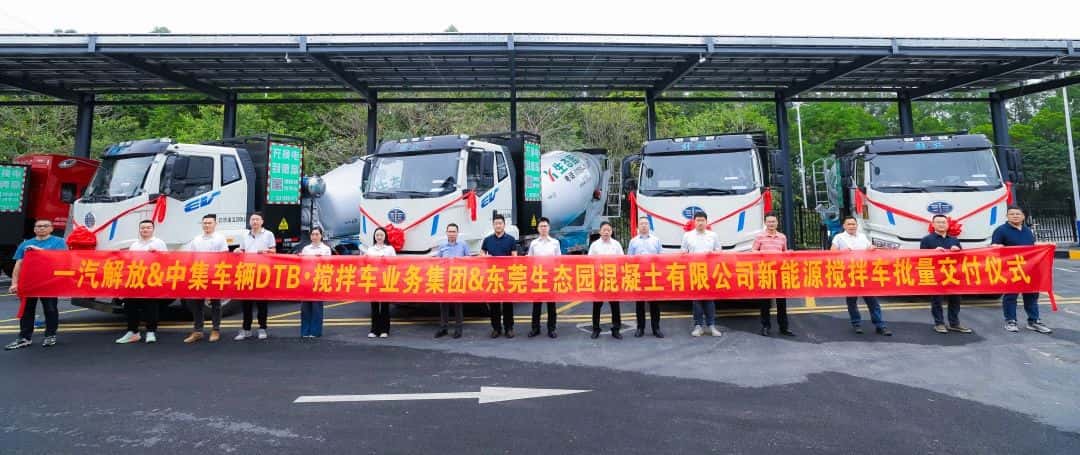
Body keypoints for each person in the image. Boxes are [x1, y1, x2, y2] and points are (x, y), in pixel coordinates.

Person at [5, 219, 67, 350]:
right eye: (38, 226)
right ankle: (24, 338)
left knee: (50, 309)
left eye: (45, 226)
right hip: (29, 283)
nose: (41, 228)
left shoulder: (59, 242)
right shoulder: (25, 244)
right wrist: (14, 283)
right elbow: (18, 264)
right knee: (27, 310)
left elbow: (60, 259)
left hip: (49, 282)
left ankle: (50, 335)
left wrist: (37, 250)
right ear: (34, 229)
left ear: (51, 229)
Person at [991, 205, 1052, 334]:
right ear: (1007, 216)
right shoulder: (1001, 230)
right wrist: (997, 247)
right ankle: (1011, 321)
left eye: (1017, 214)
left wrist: (1047, 246)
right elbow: (994, 248)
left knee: (1032, 295)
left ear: (1023, 216)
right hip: (1011, 269)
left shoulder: (1027, 231)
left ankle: (1034, 321)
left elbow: (1032, 246)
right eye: (1012, 214)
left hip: (1030, 268)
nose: (1015, 216)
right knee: (1011, 296)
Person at [831, 216, 892, 336]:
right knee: (852, 301)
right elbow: (832, 252)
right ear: (844, 226)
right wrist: (842, 252)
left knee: (872, 301)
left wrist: (871, 248)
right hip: (849, 274)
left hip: (865, 273)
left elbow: (869, 248)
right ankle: (856, 324)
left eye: (853, 224)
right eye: (849, 224)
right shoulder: (839, 237)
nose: (851, 226)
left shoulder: (862, 236)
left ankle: (880, 325)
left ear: (856, 225)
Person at [115, 220, 168, 345]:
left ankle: (151, 332)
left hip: (151, 279)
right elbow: (130, 262)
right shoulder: (135, 245)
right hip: (135, 279)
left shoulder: (159, 243)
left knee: (151, 306)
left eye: (148, 227)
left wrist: (157, 254)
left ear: (153, 229)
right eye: (143, 228)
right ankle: (133, 332)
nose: (145, 230)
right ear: (139, 230)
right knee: (130, 305)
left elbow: (167, 259)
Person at [920, 215, 973, 335]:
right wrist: (934, 252)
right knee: (937, 300)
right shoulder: (926, 239)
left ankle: (954, 323)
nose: (941, 224)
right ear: (933, 225)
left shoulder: (954, 239)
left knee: (955, 299)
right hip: (936, 274)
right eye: (938, 222)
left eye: (943, 222)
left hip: (952, 274)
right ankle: (939, 323)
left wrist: (957, 250)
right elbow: (921, 258)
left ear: (948, 225)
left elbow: (962, 258)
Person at [182, 214, 229, 344]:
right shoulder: (196, 239)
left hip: (214, 274)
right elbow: (192, 257)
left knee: (215, 303)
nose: (207, 225)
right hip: (200, 273)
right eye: (205, 223)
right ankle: (198, 331)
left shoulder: (220, 238)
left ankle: (215, 330)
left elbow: (224, 256)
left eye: (209, 223)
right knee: (197, 303)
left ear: (215, 224)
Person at [234, 212, 277, 341]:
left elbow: (274, 251)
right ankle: (246, 329)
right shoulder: (245, 235)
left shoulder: (268, 234)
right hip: (247, 271)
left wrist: (264, 251)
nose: (255, 222)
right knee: (246, 303)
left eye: (257, 219)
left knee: (261, 303)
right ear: (249, 221)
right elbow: (242, 250)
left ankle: (262, 328)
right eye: (252, 219)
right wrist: (238, 251)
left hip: (262, 272)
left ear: (262, 221)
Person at [681, 211, 723, 337]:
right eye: (698, 220)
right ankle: (698, 326)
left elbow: (719, 251)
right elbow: (683, 253)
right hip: (694, 271)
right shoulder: (687, 236)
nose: (700, 223)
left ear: (706, 222)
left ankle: (711, 325)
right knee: (696, 300)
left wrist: (712, 255)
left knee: (709, 300)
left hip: (709, 271)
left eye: (702, 220)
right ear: (694, 222)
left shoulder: (713, 235)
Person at [752, 213, 795, 337]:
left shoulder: (782, 237)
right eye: (769, 222)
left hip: (779, 272)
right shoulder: (759, 236)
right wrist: (765, 254)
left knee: (781, 302)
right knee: (765, 302)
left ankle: (784, 327)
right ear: (765, 223)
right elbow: (753, 251)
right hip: (765, 272)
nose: (771, 224)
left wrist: (789, 253)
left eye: (773, 222)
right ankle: (765, 326)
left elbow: (784, 252)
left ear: (777, 223)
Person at [481, 214, 517, 338]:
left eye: (500, 223)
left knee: (508, 304)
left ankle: (509, 328)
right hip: (493, 276)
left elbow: (514, 257)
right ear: (493, 225)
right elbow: (481, 254)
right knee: (494, 304)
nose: (498, 225)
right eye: (496, 223)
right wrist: (485, 257)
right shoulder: (487, 240)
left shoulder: (511, 239)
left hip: (506, 276)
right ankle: (496, 328)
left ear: (504, 225)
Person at [627, 216, 663, 338]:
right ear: (638, 226)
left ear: (649, 226)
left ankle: (656, 328)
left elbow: (661, 258)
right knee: (640, 304)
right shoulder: (633, 241)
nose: (644, 226)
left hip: (653, 275)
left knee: (654, 304)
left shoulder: (656, 240)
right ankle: (640, 328)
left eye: (646, 223)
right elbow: (629, 259)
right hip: (639, 275)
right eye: (641, 223)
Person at [588, 221, 625, 339]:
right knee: (597, 305)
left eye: (608, 230)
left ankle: (616, 329)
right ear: (600, 231)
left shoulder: (616, 244)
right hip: (599, 278)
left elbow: (622, 260)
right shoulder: (594, 245)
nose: (606, 232)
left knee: (615, 305)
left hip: (612, 278)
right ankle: (596, 329)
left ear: (611, 231)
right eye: (604, 230)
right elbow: (589, 261)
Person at [526, 217, 560, 339]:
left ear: (549, 228)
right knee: (537, 305)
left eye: (545, 226)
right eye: (541, 226)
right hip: (538, 277)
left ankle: (552, 328)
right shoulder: (534, 243)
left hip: (550, 276)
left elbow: (559, 260)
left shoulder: (555, 243)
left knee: (551, 305)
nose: (543, 228)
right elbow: (529, 260)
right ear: (538, 228)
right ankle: (535, 328)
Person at [434, 223, 468, 339]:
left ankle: (458, 329)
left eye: (454, 231)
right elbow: (438, 261)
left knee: (458, 305)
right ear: (446, 233)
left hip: (458, 278)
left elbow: (469, 261)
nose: (452, 233)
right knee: (443, 305)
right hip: (445, 279)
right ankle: (443, 328)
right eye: (450, 231)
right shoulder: (442, 245)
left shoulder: (463, 245)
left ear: (457, 233)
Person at [299, 227, 332, 339]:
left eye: (317, 234)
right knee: (305, 307)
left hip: (319, 280)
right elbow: (302, 263)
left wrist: (320, 259)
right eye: (313, 234)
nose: (315, 236)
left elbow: (328, 264)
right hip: (307, 281)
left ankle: (315, 331)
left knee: (317, 307)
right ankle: (305, 331)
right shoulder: (306, 249)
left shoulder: (326, 249)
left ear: (321, 236)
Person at [366, 227, 395, 338]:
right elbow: (365, 263)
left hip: (385, 279)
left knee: (384, 306)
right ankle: (374, 330)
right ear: (374, 236)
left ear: (385, 236)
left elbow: (395, 263)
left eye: (381, 235)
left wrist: (385, 260)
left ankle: (384, 330)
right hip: (373, 279)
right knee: (374, 306)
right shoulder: (370, 249)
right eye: (377, 235)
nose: (379, 237)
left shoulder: (389, 249)